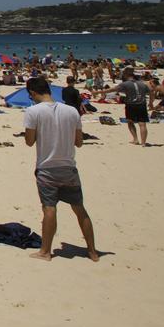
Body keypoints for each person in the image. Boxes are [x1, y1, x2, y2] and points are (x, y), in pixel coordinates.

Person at [22, 76, 98, 262]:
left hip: (47, 167)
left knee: (49, 209)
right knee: (79, 209)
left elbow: (29, 142)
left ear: (32, 93)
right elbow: (79, 142)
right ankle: (92, 252)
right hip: (69, 167)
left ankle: (45, 252)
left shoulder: (32, 111)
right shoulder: (71, 111)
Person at [97, 68, 151, 146]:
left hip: (131, 105)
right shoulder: (142, 83)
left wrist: (99, 92)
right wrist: (151, 103)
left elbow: (112, 89)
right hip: (142, 104)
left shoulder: (125, 84)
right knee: (142, 124)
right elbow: (151, 91)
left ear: (126, 75)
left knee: (130, 122)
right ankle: (143, 143)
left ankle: (135, 139)